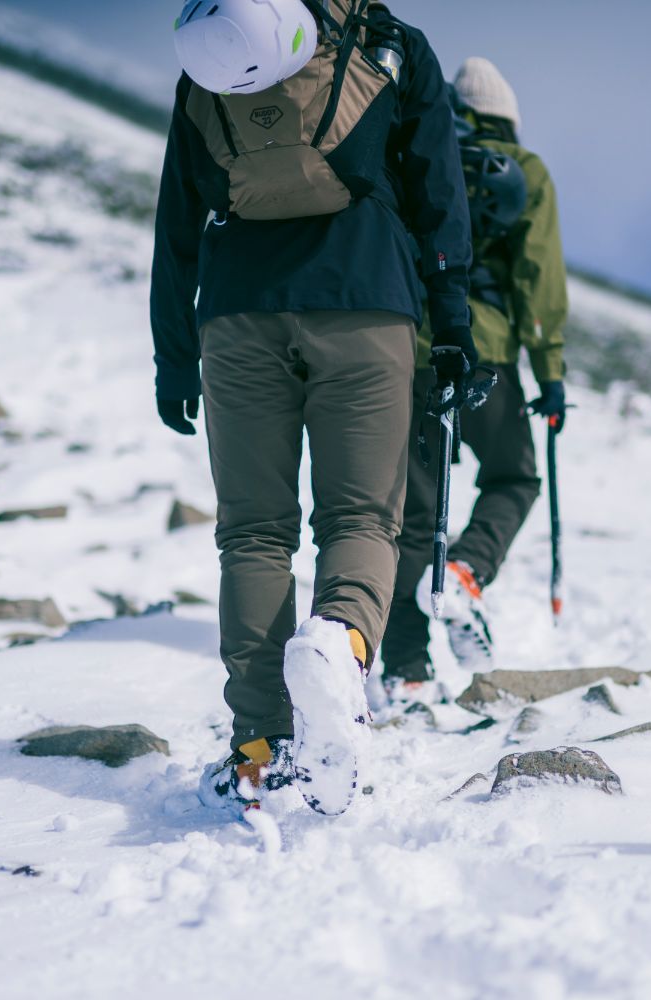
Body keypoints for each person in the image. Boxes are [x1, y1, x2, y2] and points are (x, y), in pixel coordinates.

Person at [151, 0, 473, 815]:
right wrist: (454, 323)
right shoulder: (393, 46)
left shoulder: (213, 55)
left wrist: (173, 355)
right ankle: (342, 640)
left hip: (235, 312)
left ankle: (260, 750)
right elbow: (439, 188)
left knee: (254, 531)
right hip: (367, 301)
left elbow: (177, 219)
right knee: (362, 519)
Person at [380, 56, 568, 702]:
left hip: (414, 350)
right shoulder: (528, 172)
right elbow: (536, 276)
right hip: (484, 353)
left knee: (411, 516)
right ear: (507, 120)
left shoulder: (422, 152)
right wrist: (551, 373)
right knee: (515, 475)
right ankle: (465, 569)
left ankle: (406, 670)